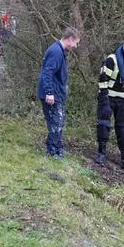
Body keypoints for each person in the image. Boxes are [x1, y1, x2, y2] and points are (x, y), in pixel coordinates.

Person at [95, 39, 124, 173]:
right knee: (104, 125)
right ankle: (101, 154)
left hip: (123, 100)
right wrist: (105, 103)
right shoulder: (112, 60)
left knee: (123, 130)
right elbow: (102, 81)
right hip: (108, 98)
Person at [36, 27, 81, 159]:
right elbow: (47, 73)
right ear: (70, 39)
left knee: (59, 121)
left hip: (57, 93)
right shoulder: (56, 52)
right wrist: (49, 93)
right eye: (76, 43)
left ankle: (58, 148)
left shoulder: (59, 50)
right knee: (55, 122)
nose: (75, 46)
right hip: (51, 94)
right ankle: (53, 151)